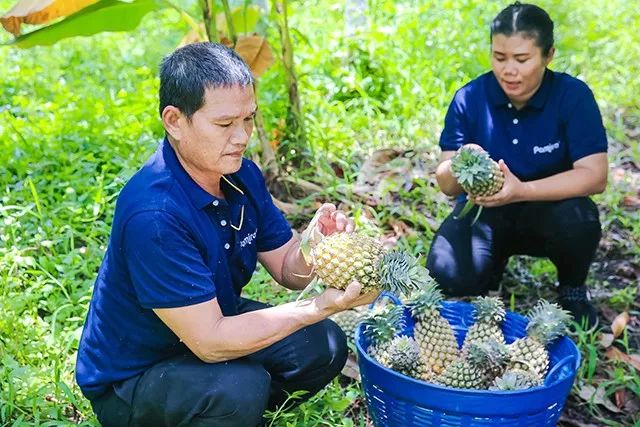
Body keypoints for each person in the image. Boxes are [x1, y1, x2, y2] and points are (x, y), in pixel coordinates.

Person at [75, 42, 377, 427]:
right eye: (224, 124)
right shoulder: (155, 215)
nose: (242, 136)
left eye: (248, 119)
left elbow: (288, 269)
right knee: (241, 387)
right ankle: (221, 409)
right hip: (136, 375)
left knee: (322, 344)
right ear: (174, 121)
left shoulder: (240, 175)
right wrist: (317, 306)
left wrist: (319, 246)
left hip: (207, 324)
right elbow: (212, 341)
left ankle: (227, 415)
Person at [426, 2, 607, 329]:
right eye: (499, 57)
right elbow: (445, 182)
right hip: (484, 213)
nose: (509, 70)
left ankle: (572, 288)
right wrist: (460, 163)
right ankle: (489, 268)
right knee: (447, 273)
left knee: (580, 220)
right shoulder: (470, 98)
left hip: (550, 208)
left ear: (548, 55)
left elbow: (594, 175)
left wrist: (521, 190)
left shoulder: (573, 96)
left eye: (522, 59)